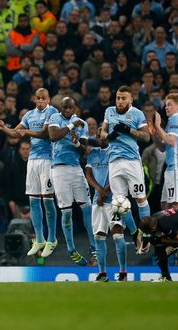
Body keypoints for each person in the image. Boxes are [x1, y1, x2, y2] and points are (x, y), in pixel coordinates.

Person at [0, 88, 58, 257]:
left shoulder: (53, 112)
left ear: (48, 99)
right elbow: (15, 133)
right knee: (33, 199)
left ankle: (52, 238)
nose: (41, 101)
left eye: (44, 98)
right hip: (33, 160)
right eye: (38, 98)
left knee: (47, 200)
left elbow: (44, 134)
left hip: (47, 159)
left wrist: (25, 131)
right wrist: (4, 128)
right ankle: (39, 239)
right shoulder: (29, 115)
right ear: (35, 99)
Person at [99, 85, 150, 253]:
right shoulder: (109, 111)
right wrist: (109, 136)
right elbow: (103, 134)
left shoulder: (137, 114)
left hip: (132, 162)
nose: (120, 101)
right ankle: (135, 233)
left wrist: (129, 130)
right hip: (114, 162)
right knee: (118, 203)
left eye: (123, 98)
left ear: (130, 100)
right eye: (118, 98)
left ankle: (147, 235)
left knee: (140, 199)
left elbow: (146, 136)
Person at [46, 97, 93, 265]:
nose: (67, 110)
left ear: (75, 108)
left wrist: (75, 143)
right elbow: (53, 136)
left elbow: (83, 149)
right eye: (64, 107)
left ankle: (93, 246)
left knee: (87, 207)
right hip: (59, 169)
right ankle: (71, 250)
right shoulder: (55, 118)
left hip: (75, 168)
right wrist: (72, 126)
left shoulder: (83, 124)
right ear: (61, 108)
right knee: (66, 212)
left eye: (70, 107)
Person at [86, 134, 130, 282]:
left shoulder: (116, 151)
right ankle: (102, 273)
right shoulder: (93, 153)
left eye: (104, 135)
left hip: (114, 200)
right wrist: (99, 191)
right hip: (97, 200)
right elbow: (88, 174)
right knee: (99, 236)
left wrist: (105, 191)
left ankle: (123, 272)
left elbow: (118, 174)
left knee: (117, 233)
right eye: (99, 136)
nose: (102, 138)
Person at [151, 94, 178, 210]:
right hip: (171, 168)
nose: (166, 107)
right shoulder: (172, 121)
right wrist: (154, 134)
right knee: (165, 204)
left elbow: (171, 141)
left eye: (170, 104)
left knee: (177, 204)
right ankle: (171, 228)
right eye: (165, 105)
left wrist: (158, 127)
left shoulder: (176, 119)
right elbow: (163, 148)